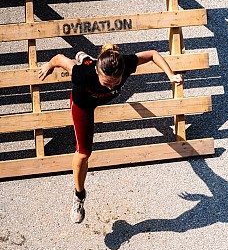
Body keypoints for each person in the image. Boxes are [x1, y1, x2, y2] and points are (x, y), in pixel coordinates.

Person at [38, 44, 184, 224]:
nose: (110, 87)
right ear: (97, 73)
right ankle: (79, 196)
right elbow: (60, 59)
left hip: (96, 76)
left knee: (92, 63)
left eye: (116, 82)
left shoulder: (125, 64)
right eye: (107, 83)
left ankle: (86, 58)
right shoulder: (82, 74)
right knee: (83, 153)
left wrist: (170, 75)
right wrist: (49, 65)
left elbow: (153, 54)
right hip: (83, 105)